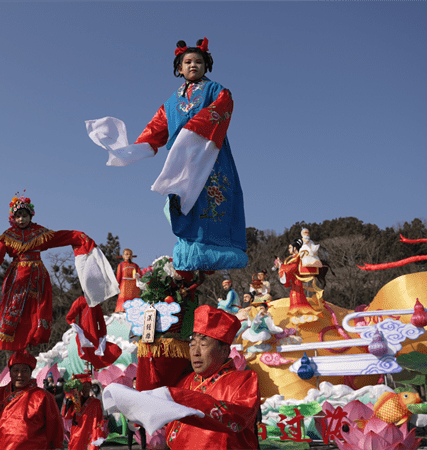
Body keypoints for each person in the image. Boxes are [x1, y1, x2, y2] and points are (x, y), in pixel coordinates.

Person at [87, 37, 247, 274]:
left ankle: (214, 252)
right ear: (179, 68)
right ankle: (191, 252)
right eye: (188, 62)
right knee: (181, 203)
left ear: (206, 65)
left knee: (212, 201)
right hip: (180, 160)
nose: (194, 65)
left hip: (209, 155)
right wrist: (131, 150)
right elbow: (156, 129)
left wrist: (193, 131)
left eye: (199, 62)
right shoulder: (171, 103)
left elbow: (223, 107)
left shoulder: (216, 90)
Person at [0, 195, 98, 351]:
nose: (21, 219)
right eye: (17, 216)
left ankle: (30, 346)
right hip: (17, 278)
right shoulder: (6, 237)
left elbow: (61, 237)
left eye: (24, 216)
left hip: (38, 279)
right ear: (13, 218)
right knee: (14, 308)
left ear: (31, 215)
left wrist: (80, 236)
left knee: (36, 311)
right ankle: (15, 350)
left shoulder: (41, 233)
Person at [165, 305, 259, 449]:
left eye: (203, 344)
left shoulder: (245, 379)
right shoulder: (185, 381)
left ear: (224, 351)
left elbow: (237, 418)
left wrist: (183, 398)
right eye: (192, 344)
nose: (195, 352)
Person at [0, 351, 64, 450]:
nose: (20, 374)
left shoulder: (43, 396)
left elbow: (54, 427)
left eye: (24, 370)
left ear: (31, 373)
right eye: (16, 370)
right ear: (9, 372)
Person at [66, 296, 122, 370]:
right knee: (86, 351)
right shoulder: (80, 300)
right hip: (84, 332)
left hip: (94, 333)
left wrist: (102, 334)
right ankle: (89, 367)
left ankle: (93, 368)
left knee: (97, 352)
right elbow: (70, 316)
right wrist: (75, 326)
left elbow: (101, 320)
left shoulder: (95, 303)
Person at [274, 239, 320, 316]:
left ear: (295, 248)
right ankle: (298, 313)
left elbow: (294, 267)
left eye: (290, 247)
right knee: (294, 293)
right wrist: (281, 265)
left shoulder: (298, 256)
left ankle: (299, 312)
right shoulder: (292, 258)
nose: (288, 249)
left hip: (297, 280)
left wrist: (282, 266)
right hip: (295, 281)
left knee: (296, 294)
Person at [63, 374, 107, 450]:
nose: (86, 388)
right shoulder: (75, 401)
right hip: (78, 429)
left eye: (88, 386)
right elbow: (67, 416)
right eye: (84, 386)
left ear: (90, 388)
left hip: (90, 430)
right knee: (75, 446)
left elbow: (100, 418)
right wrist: (67, 406)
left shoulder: (95, 402)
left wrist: (100, 432)